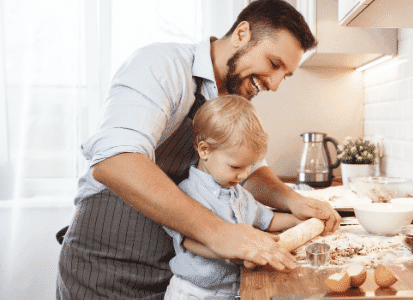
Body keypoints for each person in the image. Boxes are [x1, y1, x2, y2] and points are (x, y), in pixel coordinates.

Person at [56, 0, 342, 299]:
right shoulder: (162, 65)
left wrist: (293, 200)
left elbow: (251, 172)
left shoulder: (231, 98)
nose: (274, 84)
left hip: (174, 271)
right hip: (107, 267)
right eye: (274, 64)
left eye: (285, 74)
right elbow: (115, 161)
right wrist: (220, 233)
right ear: (242, 33)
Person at [163, 94, 303, 299]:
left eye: (249, 166)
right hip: (195, 293)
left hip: (234, 291)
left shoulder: (239, 194)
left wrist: (300, 220)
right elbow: (189, 241)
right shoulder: (188, 192)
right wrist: (233, 250)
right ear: (204, 150)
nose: (244, 174)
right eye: (236, 166)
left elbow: (268, 220)